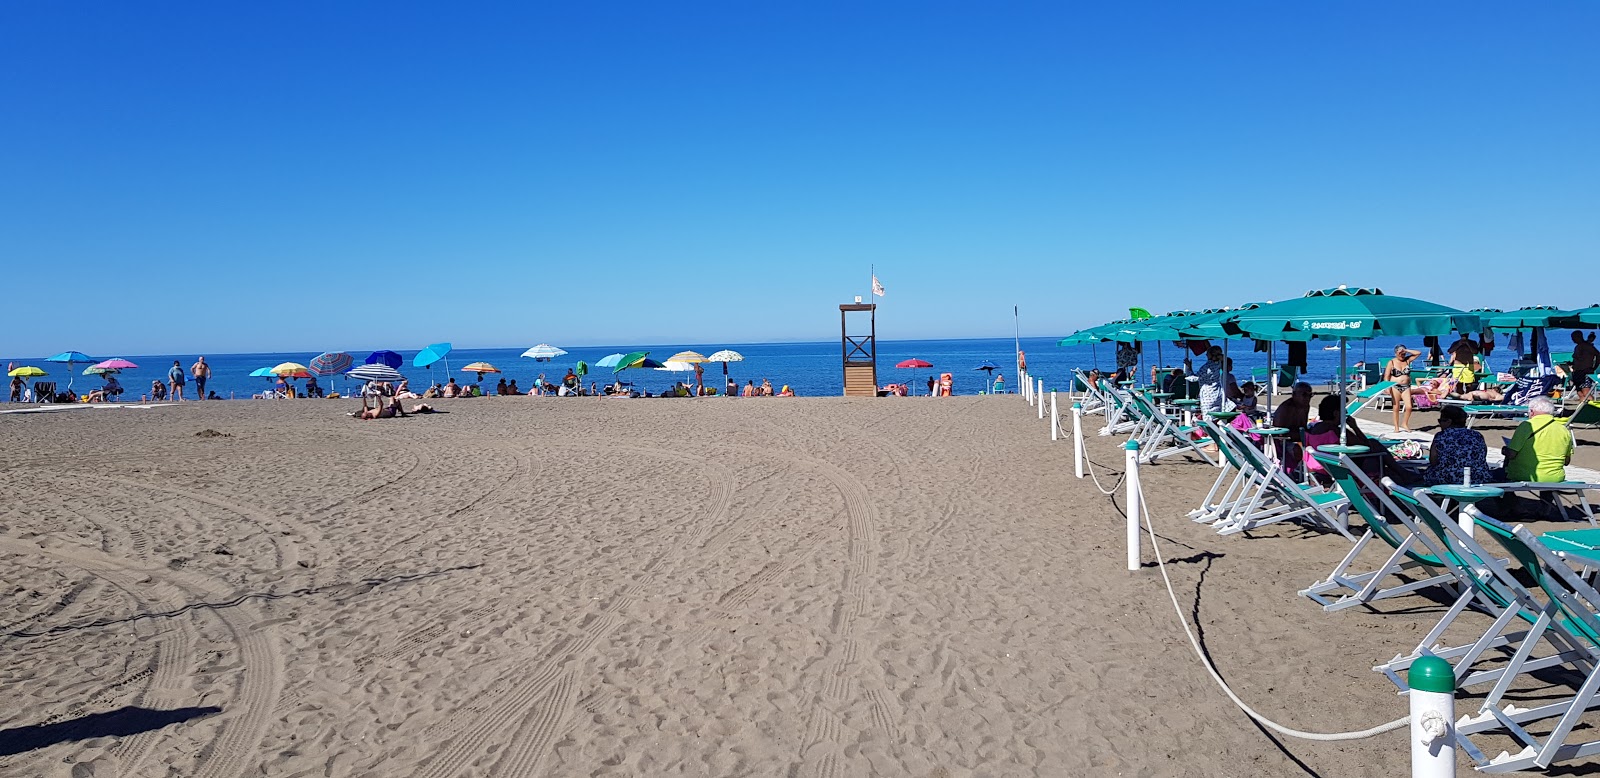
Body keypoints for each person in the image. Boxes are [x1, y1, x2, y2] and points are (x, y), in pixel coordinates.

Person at [1503, 396, 1573, 483]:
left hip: (1524, 475)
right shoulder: (1563, 430)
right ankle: (1547, 494)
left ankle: (1508, 495)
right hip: (1555, 477)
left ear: (1532, 411)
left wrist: (1504, 450)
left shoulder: (1527, 426)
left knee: (1500, 470)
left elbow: (1511, 454)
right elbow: (1566, 461)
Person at [1423, 405, 1491, 486]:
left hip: (1448, 479)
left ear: (1449, 421)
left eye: (1441, 421)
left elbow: (1433, 461)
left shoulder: (1441, 436)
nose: (1439, 424)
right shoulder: (1477, 435)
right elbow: (1482, 455)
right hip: (1479, 478)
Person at [1384, 345, 1422, 431]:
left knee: (1409, 406)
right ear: (1395, 353)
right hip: (1395, 386)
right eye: (1400, 353)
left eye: (1403, 354)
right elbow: (1387, 375)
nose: (1402, 355)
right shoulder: (1391, 362)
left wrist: (1406, 350)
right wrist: (1387, 387)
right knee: (1396, 407)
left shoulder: (1407, 360)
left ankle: (1404, 423)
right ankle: (1396, 427)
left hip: (1406, 387)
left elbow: (1418, 353)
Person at [1572, 331, 1599, 405]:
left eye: (1573, 338)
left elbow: (1598, 355)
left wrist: (1594, 367)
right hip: (1578, 372)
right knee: (1579, 392)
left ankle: (1592, 407)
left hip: (1585, 371)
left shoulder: (1587, 346)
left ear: (1578, 337)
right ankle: (1582, 407)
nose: (1573, 340)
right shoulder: (1578, 346)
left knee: (1586, 392)